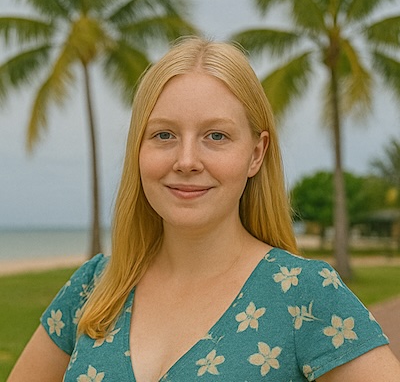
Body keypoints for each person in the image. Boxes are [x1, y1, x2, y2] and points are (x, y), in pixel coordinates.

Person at [8, 36, 400, 382]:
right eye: (164, 134)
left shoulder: (305, 294)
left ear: (256, 153)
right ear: (138, 149)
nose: (187, 160)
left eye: (216, 136)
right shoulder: (93, 287)